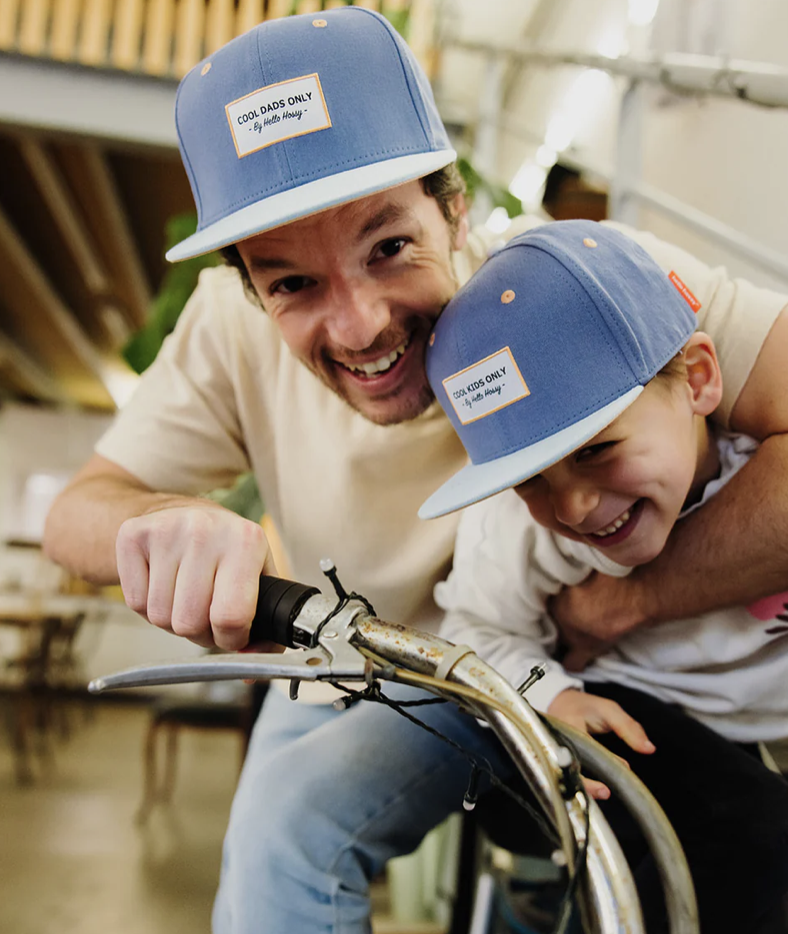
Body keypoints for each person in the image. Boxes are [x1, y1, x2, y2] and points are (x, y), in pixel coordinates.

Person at [40, 8, 788, 933]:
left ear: (454, 208)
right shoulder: (228, 331)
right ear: (249, 289)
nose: (362, 327)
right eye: (292, 283)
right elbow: (78, 514)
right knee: (278, 841)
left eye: (389, 246)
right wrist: (160, 521)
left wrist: (626, 602)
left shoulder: (568, 290)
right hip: (353, 658)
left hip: (547, 665)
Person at [419, 219, 788, 932]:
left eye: (596, 450)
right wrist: (552, 695)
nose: (574, 507)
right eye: (532, 479)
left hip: (758, 735)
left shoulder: (760, 467)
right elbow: (474, 631)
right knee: (752, 842)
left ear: (699, 380)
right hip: (634, 716)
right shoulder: (516, 529)